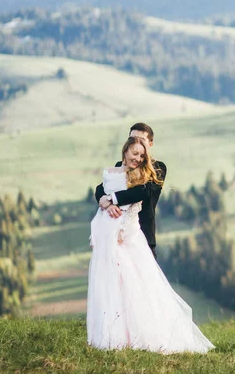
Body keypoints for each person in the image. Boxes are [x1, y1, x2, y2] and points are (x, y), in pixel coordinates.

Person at [87, 136, 214, 353]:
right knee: (111, 282)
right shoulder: (116, 169)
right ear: (125, 150)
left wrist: (112, 201)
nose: (138, 157)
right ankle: (113, 334)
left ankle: (142, 333)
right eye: (134, 153)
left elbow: (140, 194)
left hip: (130, 232)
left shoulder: (149, 171)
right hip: (109, 230)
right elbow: (101, 188)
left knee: (137, 282)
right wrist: (104, 201)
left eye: (141, 154)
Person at [95, 123, 166, 259]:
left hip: (143, 233)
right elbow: (101, 188)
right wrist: (108, 204)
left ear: (150, 144)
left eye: (141, 140)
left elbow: (143, 192)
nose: (136, 143)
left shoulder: (158, 168)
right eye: (132, 139)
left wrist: (111, 198)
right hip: (115, 233)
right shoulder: (119, 167)